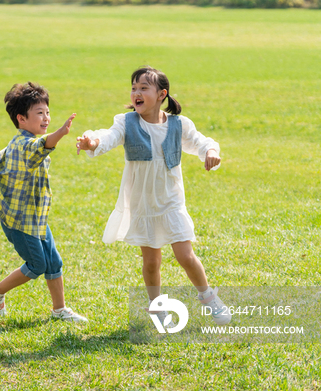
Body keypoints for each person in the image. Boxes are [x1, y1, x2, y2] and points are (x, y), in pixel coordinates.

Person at [76, 66, 231, 326]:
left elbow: (201, 141)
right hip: (143, 204)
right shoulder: (126, 122)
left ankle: (208, 297)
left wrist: (211, 151)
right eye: (134, 88)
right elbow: (109, 137)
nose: (136, 92)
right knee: (151, 261)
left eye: (143, 88)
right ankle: (156, 306)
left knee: (185, 255)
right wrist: (92, 142)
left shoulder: (179, 124)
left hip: (171, 201)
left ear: (162, 94)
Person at [0, 82, 87, 322]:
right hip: (19, 220)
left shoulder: (17, 142)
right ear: (21, 118)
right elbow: (43, 145)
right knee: (37, 264)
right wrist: (60, 132)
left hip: (35, 217)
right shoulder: (26, 144)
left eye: (47, 112)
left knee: (53, 261)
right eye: (39, 113)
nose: (46, 117)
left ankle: (59, 310)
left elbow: (0, 160)